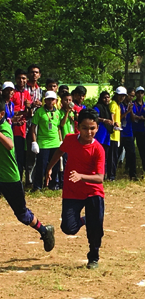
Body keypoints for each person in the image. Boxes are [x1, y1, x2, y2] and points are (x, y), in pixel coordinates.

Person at [0, 94, 57, 253]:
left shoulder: (3, 127)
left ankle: (44, 230)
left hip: (10, 179)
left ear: (1, 114)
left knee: (22, 215)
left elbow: (9, 145)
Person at [47, 110, 106, 268]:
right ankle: (87, 219)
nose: (89, 132)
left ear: (97, 128)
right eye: (85, 128)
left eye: (92, 128)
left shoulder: (98, 149)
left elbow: (100, 178)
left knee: (96, 229)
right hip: (72, 191)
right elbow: (60, 150)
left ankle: (93, 257)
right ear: (78, 127)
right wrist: (49, 168)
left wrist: (82, 176)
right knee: (68, 227)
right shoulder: (70, 139)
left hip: (93, 192)